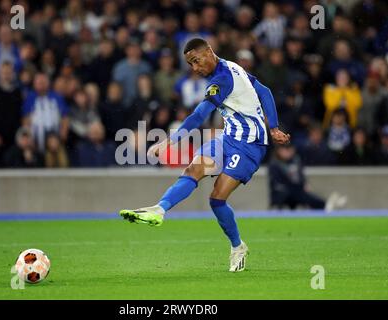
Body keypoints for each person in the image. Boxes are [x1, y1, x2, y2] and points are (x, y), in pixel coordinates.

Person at [119, 38, 290, 272]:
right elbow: (265, 91)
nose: (195, 68)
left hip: (250, 145)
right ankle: (159, 210)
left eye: (197, 61)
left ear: (209, 52)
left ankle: (237, 247)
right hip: (227, 137)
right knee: (193, 169)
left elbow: (199, 116)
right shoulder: (232, 66)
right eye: (190, 64)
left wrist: (170, 141)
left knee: (217, 198)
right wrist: (275, 127)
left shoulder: (222, 79)